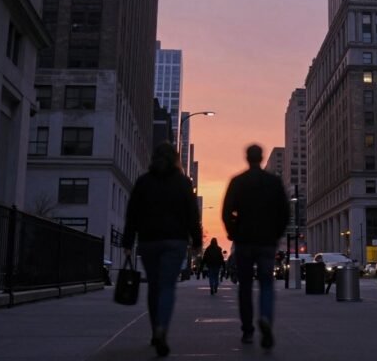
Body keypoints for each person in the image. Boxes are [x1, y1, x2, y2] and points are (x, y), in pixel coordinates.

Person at [122, 142, 203, 357]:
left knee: (154, 286)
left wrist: (127, 242)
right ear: (175, 159)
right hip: (175, 241)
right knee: (167, 286)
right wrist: (196, 240)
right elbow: (192, 214)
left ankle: (154, 329)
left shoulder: (143, 182)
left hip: (148, 241)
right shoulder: (183, 183)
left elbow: (132, 213)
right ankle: (162, 330)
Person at [222, 144, 290, 349]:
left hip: (244, 241)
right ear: (260, 158)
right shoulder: (273, 182)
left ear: (247, 158)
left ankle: (248, 331)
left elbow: (227, 212)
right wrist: (276, 234)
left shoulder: (238, 182)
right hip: (267, 241)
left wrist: (233, 232)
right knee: (266, 283)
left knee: (245, 286)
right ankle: (266, 318)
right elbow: (284, 213)